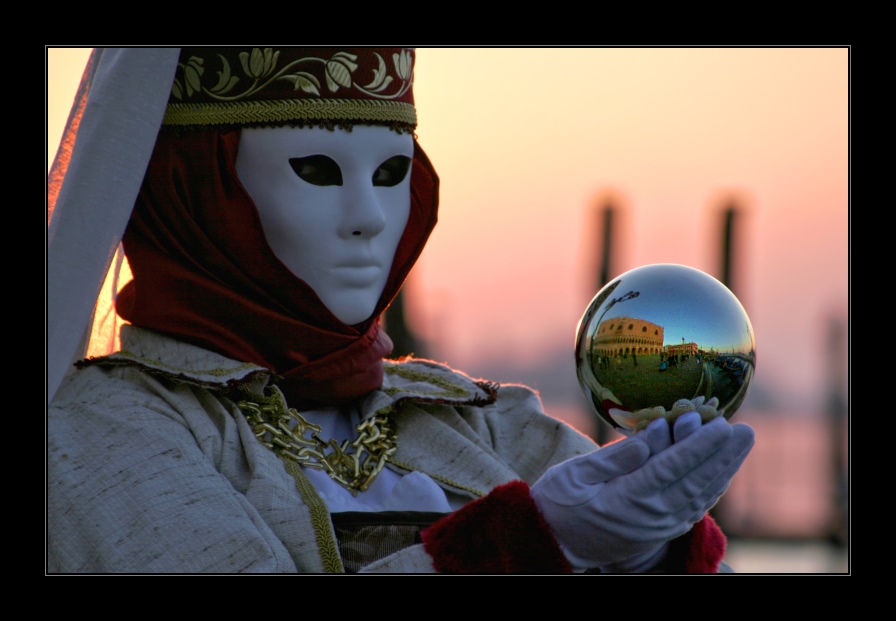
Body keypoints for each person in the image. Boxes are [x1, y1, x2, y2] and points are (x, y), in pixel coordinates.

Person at [47, 47, 755, 574]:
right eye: (317, 171)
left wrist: (658, 548)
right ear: (196, 194)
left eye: (392, 176)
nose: (369, 219)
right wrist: (539, 542)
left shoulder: (489, 422)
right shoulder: (92, 433)